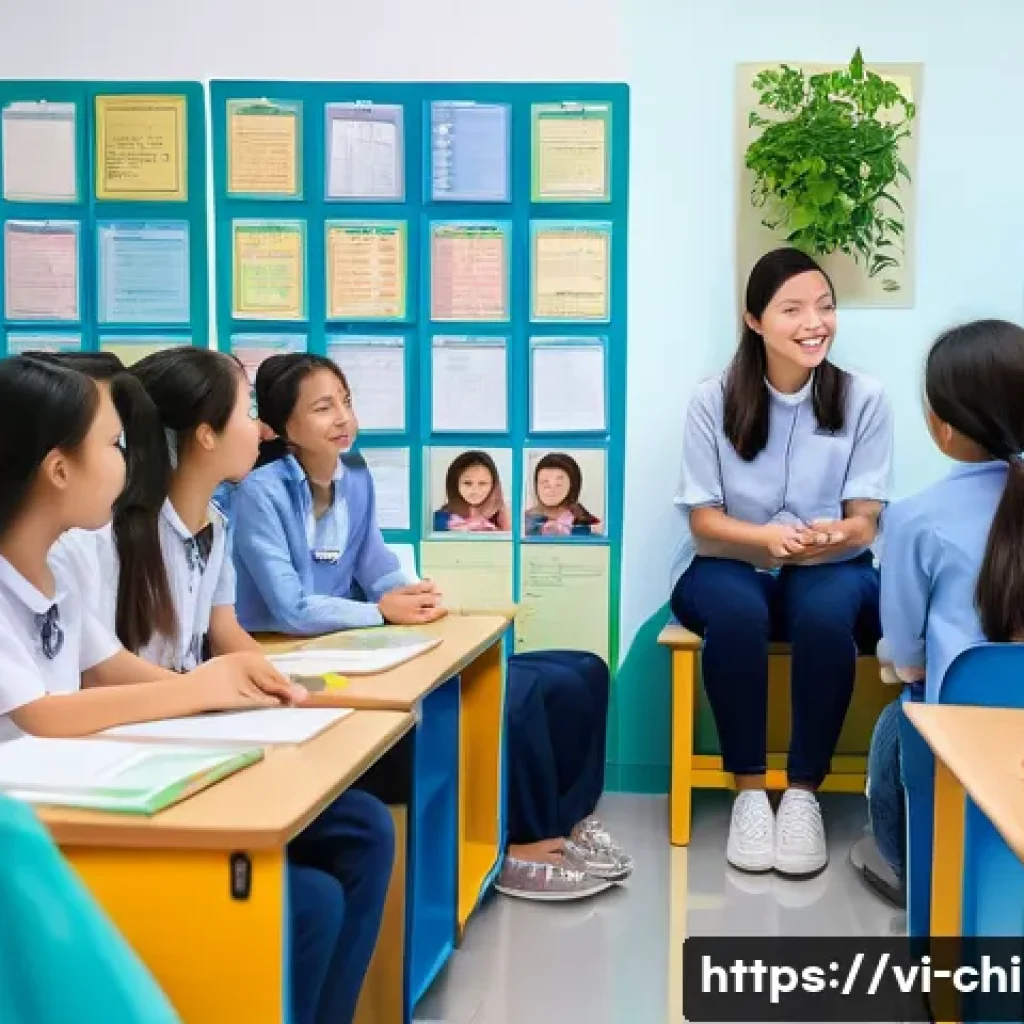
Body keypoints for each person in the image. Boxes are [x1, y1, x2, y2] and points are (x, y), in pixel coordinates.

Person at [231, 353, 632, 899]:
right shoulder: (262, 491)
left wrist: (411, 595)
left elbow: (374, 564)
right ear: (282, 426)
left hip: (352, 639)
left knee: (582, 670)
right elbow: (290, 608)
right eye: (323, 408)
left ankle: (565, 821)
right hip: (292, 648)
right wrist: (380, 612)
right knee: (519, 690)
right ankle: (522, 843)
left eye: (346, 402)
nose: (343, 418)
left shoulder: (355, 473)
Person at [95, 346, 395, 1024]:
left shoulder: (215, 524)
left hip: (187, 729)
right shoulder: (116, 535)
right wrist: (207, 686)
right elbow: (103, 665)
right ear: (204, 434)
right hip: (141, 750)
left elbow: (226, 632)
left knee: (365, 826)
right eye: (247, 414)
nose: (261, 431)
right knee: (313, 897)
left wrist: (279, 686)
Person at [670, 248, 892, 877]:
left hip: (828, 564)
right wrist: (763, 541)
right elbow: (703, 521)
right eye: (792, 309)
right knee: (737, 616)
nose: (813, 322)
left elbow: (864, 522)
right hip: (728, 559)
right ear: (754, 320)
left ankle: (801, 794)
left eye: (824, 306)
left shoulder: (863, 398)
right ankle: (748, 794)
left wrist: (834, 535)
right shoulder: (711, 400)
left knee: (826, 619)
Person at [0, 355, 303, 746]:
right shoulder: (66, 557)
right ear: (59, 470)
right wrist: (195, 691)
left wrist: (222, 689)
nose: (126, 462)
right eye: (113, 445)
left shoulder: (53, 581)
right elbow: (41, 714)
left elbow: (106, 665)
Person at [854, 319, 1024, 905]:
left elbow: (907, 660)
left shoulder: (912, 520)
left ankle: (912, 871)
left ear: (943, 427)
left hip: (958, 739)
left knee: (897, 724)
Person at [433, 450, 512, 534]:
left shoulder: (505, 516)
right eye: (467, 483)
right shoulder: (438, 520)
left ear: (493, 485)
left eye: (483, 483)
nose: (475, 490)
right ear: (455, 484)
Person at [524, 452, 601, 537]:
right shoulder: (524, 521)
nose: (551, 489)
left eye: (558, 484)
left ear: (572, 485)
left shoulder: (590, 524)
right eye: (544, 483)